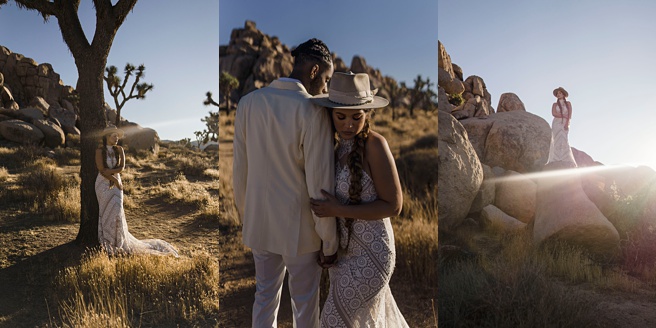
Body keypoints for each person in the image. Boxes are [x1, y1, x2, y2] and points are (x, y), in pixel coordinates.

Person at [232, 38, 338, 327]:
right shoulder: (313, 109)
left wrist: (247, 215)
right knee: (305, 306)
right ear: (314, 71)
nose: (326, 89)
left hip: (259, 224)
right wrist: (329, 239)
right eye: (326, 80)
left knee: (265, 297)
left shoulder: (247, 103)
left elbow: (239, 169)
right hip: (300, 230)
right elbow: (320, 183)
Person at [309, 72, 409, 327]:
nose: (349, 125)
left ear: (367, 114)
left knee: (332, 321)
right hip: (344, 255)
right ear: (330, 115)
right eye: (341, 117)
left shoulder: (376, 145)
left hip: (374, 255)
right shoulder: (334, 148)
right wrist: (327, 247)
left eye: (357, 117)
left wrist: (338, 209)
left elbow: (394, 205)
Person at [95, 125, 179, 257]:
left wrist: (114, 177)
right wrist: (113, 179)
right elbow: (101, 170)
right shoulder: (100, 151)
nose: (117, 138)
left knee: (117, 211)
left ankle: (119, 241)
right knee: (105, 212)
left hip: (116, 183)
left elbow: (121, 168)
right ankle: (109, 241)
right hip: (103, 184)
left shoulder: (120, 150)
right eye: (114, 135)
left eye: (118, 136)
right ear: (107, 136)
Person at [546, 86, 577, 166]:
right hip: (556, 123)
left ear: (563, 94)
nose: (558, 94)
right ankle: (556, 158)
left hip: (565, 122)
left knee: (564, 139)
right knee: (556, 139)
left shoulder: (568, 104)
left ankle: (565, 158)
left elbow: (570, 115)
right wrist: (564, 116)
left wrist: (567, 122)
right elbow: (554, 113)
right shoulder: (555, 104)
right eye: (557, 93)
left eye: (560, 93)